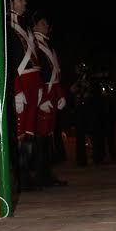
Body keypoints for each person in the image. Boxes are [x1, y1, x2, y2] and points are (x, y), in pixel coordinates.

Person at [6, 0, 44, 191]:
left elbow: (35, 57)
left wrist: (38, 86)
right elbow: (9, 61)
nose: (25, 3)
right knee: (19, 132)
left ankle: (28, 174)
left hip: (32, 81)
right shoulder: (5, 25)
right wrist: (17, 89)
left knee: (30, 130)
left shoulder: (26, 27)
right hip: (19, 81)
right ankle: (18, 177)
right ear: (11, 2)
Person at [31, 10, 67, 187]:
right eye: (43, 23)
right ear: (35, 25)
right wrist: (42, 96)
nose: (47, 27)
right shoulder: (34, 44)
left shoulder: (48, 46)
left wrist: (59, 94)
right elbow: (38, 72)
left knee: (49, 136)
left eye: (47, 24)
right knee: (40, 136)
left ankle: (47, 173)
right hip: (42, 93)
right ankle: (39, 175)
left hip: (52, 92)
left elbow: (55, 73)